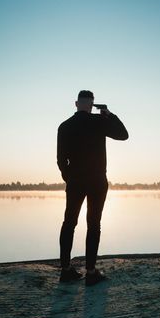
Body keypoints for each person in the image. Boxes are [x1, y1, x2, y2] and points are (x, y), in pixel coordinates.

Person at [57, 90, 129, 285]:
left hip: (75, 181)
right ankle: (90, 272)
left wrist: (69, 178)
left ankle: (65, 270)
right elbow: (124, 135)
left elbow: (61, 159)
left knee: (69, 223)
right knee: (94, 224)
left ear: (76, 104)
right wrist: (109, 115)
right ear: (91, 105)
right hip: (97, 181)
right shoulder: (99, 122)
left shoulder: (64, 126)